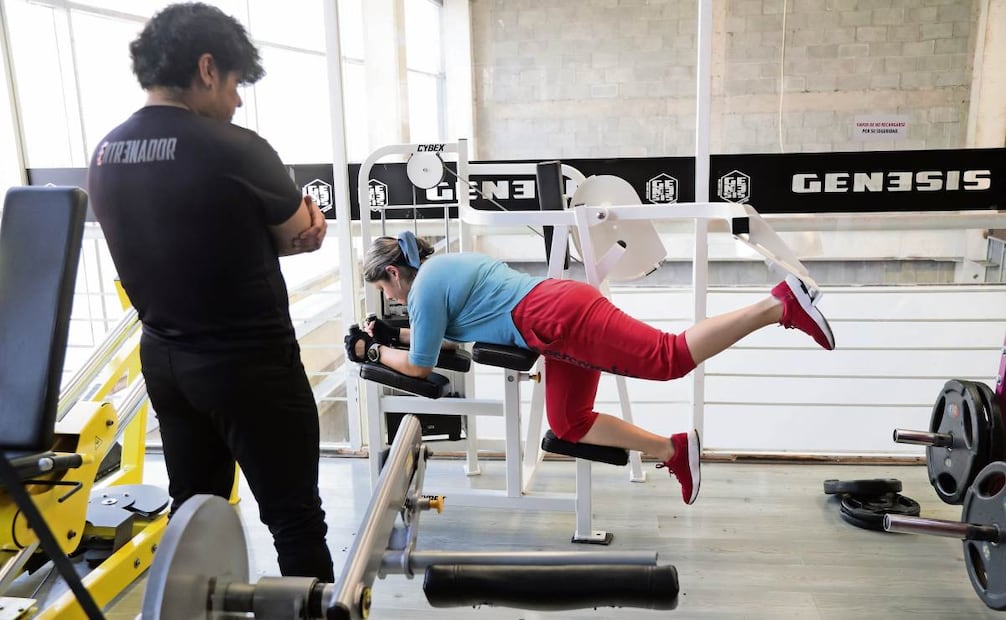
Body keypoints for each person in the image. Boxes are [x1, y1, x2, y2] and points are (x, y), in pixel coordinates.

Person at [87, 3, 334, 581]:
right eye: (235, 83)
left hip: (167, 361)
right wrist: (292, 233)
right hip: (249, 365)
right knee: (294, 519)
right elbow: (302, 230)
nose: (238, 100)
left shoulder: (104, 152)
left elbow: (181, 234)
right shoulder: (236, 147)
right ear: (206, 68)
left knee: (194, 511)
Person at [347, 231, 835, 506]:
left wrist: (372, 353)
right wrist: (387, 336)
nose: (389, 299)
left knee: (669, 358)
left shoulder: (426, 287)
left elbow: (416, 367)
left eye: (385, 289)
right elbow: (439, 338)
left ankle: (778, 306)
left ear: (392, 272)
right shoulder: (441, 272)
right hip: (552, 314)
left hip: (555, 320)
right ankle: (675, 450)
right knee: (570, 422)